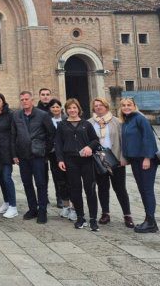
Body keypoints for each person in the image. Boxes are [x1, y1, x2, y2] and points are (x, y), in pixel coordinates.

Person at [55, 98, 100, 231]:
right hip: (70, 160)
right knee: (75, 190)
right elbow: (58, 143)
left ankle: (93, 219)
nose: (72, 110)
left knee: (90, 189)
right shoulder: (62, 125)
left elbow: (95, 140)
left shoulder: (86, 124)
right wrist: (60, 160)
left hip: (86, 160)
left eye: (74, 108)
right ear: (66, 110)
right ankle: (80, 217)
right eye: (69, 108)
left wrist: (89, 147)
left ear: (78, 109)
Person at [90, 97, 134, 228]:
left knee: (120, 188)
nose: (98, 107)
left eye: (101, 105)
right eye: (96, 105)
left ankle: (127, 215)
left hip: (116, 160)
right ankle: (105, 213)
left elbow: (123, 141)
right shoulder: (90, 122)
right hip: (99, 160)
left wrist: (123, 158)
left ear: (106, 107)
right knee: (102, 188)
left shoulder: (117, 121)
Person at [12, 91, 55, 224]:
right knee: (27, 183)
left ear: (32, 100)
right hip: (23, 155)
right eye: (22, 99)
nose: (24, 101)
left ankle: (42, 210)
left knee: (41, 183)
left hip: (38, 155)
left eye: (26, 99)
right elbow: (13, 135)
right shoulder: (16, 115)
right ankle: (32, 208)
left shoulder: (43, 115)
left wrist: (45, 151)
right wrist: (14, 154)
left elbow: (51, 134)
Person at [119, 97, 159, 233]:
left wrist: (148, 158)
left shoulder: (140, 119)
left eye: (129, 105)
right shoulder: (126, 121)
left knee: (147, 190)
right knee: (142, 189)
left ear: (134, 106)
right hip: (135, 160)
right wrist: (126, 157)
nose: (126, 107)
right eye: (123, 105)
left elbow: (148, 138)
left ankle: (151, 222)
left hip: (145, 159)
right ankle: (149, 220)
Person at [0, 93, 18, 219]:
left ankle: (13, 206)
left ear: (3, 102)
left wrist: (14, 153)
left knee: (6, 177)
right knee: (0, 178)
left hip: (6, 151)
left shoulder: (10, 114)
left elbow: (13, 134)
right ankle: (6, 202)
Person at [47, 99, 73, 220]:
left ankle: (73, 206)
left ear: (61, 108)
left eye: (57, 107)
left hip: (67, 153)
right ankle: (64, 203)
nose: (55, 109)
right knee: (59, 180)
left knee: (70, 179)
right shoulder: (47, 120)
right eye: (53, 107)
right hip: (53, 154)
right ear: (50, 109)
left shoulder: (66, 119)